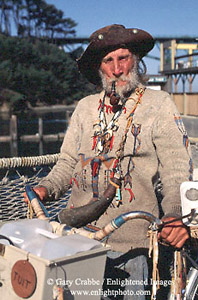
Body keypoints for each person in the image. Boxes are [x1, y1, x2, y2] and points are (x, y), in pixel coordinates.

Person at [24, 24, 192, 299]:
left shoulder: (159, 104)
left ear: (135, 61)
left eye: (123, 58)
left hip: (130, 244)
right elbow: (67, 161)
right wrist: (46, 187)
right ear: (99, 68)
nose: (117, 69)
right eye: (108, 61)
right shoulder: (85, 107)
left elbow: (176, 168)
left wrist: (174, 213)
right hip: (76, 240)